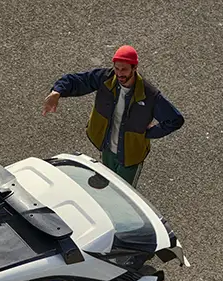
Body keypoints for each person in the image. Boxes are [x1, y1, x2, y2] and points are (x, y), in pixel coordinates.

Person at [41, 45, 184, 187]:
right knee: (108, 188)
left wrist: (148, 133)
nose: (119, 74)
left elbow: (175, 119)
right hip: (108, 149)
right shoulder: (105, 78)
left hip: (131, 157)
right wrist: (57, 92)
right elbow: (77, 80)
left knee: (126, 195)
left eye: (124, 69)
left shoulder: (150, 95)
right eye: (117, 68)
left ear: (134, 68)